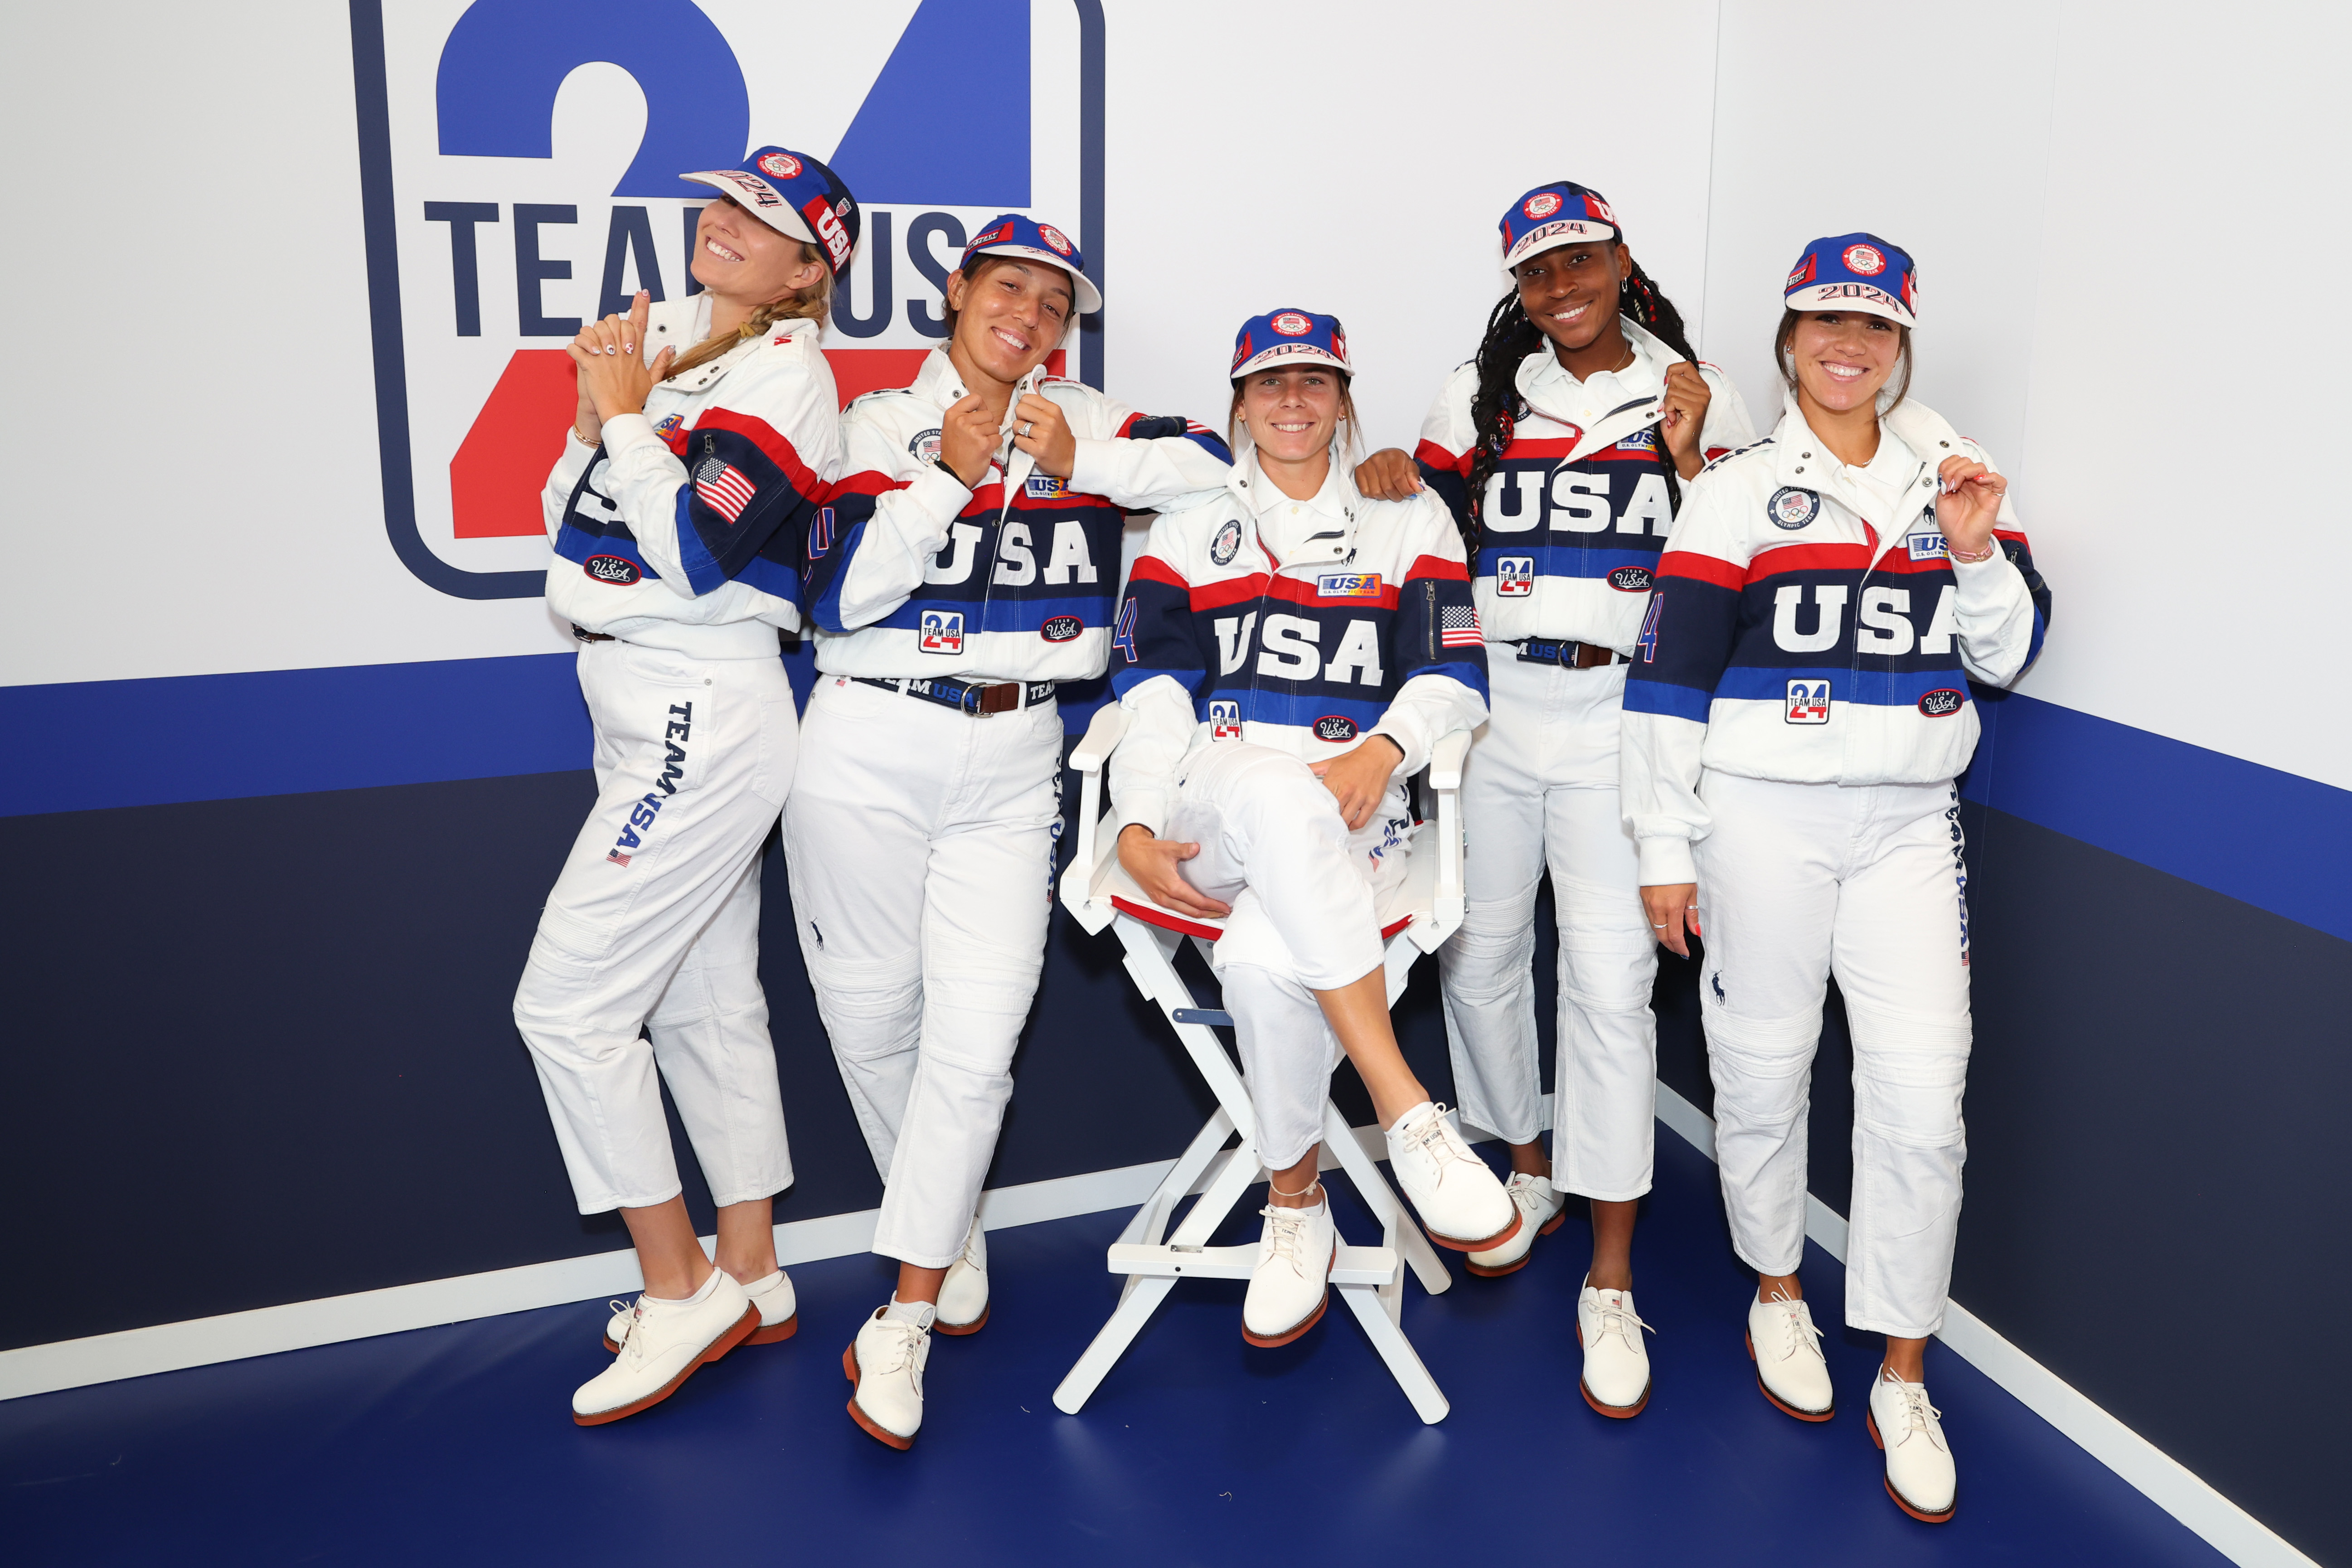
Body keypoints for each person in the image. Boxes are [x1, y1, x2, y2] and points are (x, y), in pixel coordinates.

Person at [1621, 233, 2051, 1522]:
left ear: (1900, 343)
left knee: (1921, 1103)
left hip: (1910, 822)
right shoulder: (1737, 488)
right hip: (1758, 817)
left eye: (1870, 329)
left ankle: (1902, 1370)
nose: (1845, 348)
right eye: (1822, 325)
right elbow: (1666, 680)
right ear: (1788, 338)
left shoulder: (1955, 469)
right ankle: (1775, 1291)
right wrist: (1660, 845)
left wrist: (1974, 553)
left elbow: (2009, 653)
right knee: (1757, 1068)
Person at [787, 215, 1232, 1449]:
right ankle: (946, 1219)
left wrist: (1083, 453)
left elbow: (1217, 467)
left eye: (1051, 304)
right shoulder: (877, 419)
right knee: (874, 1019)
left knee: (977, 1044)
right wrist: (947, 472)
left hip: (1018, 745)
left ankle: (907, 1309)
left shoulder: (1095, 417)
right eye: (1008, 292)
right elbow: (836, 598)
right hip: (870, 735)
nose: (1028, 319)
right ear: (956, 291)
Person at [1353, 181, 1755, 1418]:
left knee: (1608, 984)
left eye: (1577, 258)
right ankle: (1524, 1159)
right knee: (1475, 956)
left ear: (1619, 260)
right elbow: (1408, 516)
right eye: (1535, 271)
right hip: (1492, 709)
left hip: (1618, 717)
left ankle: (1612, 1273)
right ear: (1516, 287)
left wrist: (1688, 463)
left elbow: (1739, 562)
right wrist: (1381, 473)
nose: (1558, 284)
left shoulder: (1699, 388)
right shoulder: (1479, 394)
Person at [512, 147, 861, 1425]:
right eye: (723, 201)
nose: (726, 221)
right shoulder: (663, 344)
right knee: (704, 1003)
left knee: (568, 1008)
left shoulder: (789, 375)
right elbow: (573, 513)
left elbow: (700, 551)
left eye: (764, 218)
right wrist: (599, 416)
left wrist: (619, 415)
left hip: (699, 703)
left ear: (808, 272)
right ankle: (752, 1268)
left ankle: (678, 1287)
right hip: (631, 691)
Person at [1111, 309, 1518, 1348]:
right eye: (1270, 384)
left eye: (1315, 382)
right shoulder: (1188, 527)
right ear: (1239, 407)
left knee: (1257, 961)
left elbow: (1455, 676)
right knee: (1272, 789)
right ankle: (1408, 1108)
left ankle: (1297, 1204)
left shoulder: (1408, 516)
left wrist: (1386, 748)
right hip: (1218, 804)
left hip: (1356, 815)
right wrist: (1138, 822)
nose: (1293, 401)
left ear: (1342, 401)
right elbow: (1154, 691)